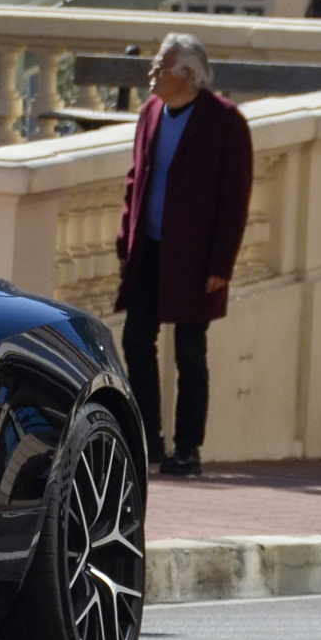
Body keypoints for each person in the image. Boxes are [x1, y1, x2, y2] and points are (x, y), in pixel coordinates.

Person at [114, 33, 254, 477]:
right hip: (150, 250)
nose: (150, 75)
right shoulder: (151, 112)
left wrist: (221, 266)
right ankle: (148, 438)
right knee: (136, 339)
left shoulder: (225, 121)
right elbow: (135, 180)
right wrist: (126, 239)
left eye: (161, 68)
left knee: (190, 352)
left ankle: (188, 447)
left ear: (189, 76)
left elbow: (235, 200)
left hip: (196, 257)